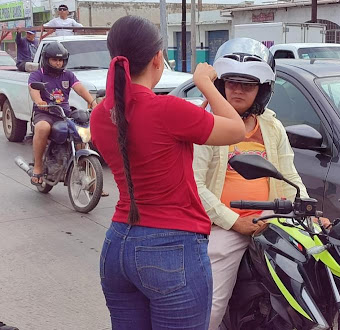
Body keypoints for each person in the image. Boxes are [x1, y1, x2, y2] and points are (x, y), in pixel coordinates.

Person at [90, 16, 244, 330]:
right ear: (158, 59)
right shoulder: (167, 110)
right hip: (171, 249)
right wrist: (206, 85)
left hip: (118, 244)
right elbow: (237, 128)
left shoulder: (100, 114)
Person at [192, 38, 311, 330]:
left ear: (262, 90)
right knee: (211, 305)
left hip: (273, 221)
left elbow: (288, 174)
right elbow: (194, 185)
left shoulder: (271, 126)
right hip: (224, 227)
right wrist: (235, 222)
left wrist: (307, 210)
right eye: (231, 82)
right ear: (220, 85)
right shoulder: (207, 124)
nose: (238, 90)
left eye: (248, 84)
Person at [28, 41, 97, 185]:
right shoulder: (37, 75)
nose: (58, 63)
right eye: (54, 60)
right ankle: (38, 167)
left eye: (60, 60)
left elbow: (79, 88)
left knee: (81, 132)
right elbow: (33, 90)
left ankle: (90, 180)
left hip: (63, 113)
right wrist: (40, 102)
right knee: (42, 128)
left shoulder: (68, 75)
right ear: (46, 59)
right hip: (45, 113)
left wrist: (92, 102)